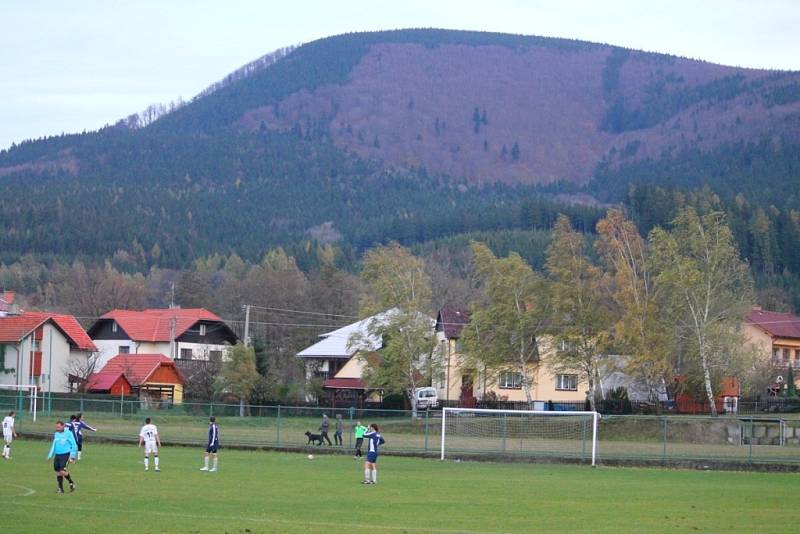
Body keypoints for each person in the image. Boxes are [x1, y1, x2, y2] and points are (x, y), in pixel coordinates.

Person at [47, 420, 77, 493]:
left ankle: (71, 483)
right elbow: (54, 444)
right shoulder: (56, 434)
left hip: (66, 455)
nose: (57, 428)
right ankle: (60, 488)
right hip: (57, 455)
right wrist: (50, 455)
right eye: (56, 427)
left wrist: (72, 456)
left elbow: (74, 444)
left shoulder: (68, 433)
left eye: (58, 427)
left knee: (62, 471)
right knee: (58, 471)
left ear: (63, 426)